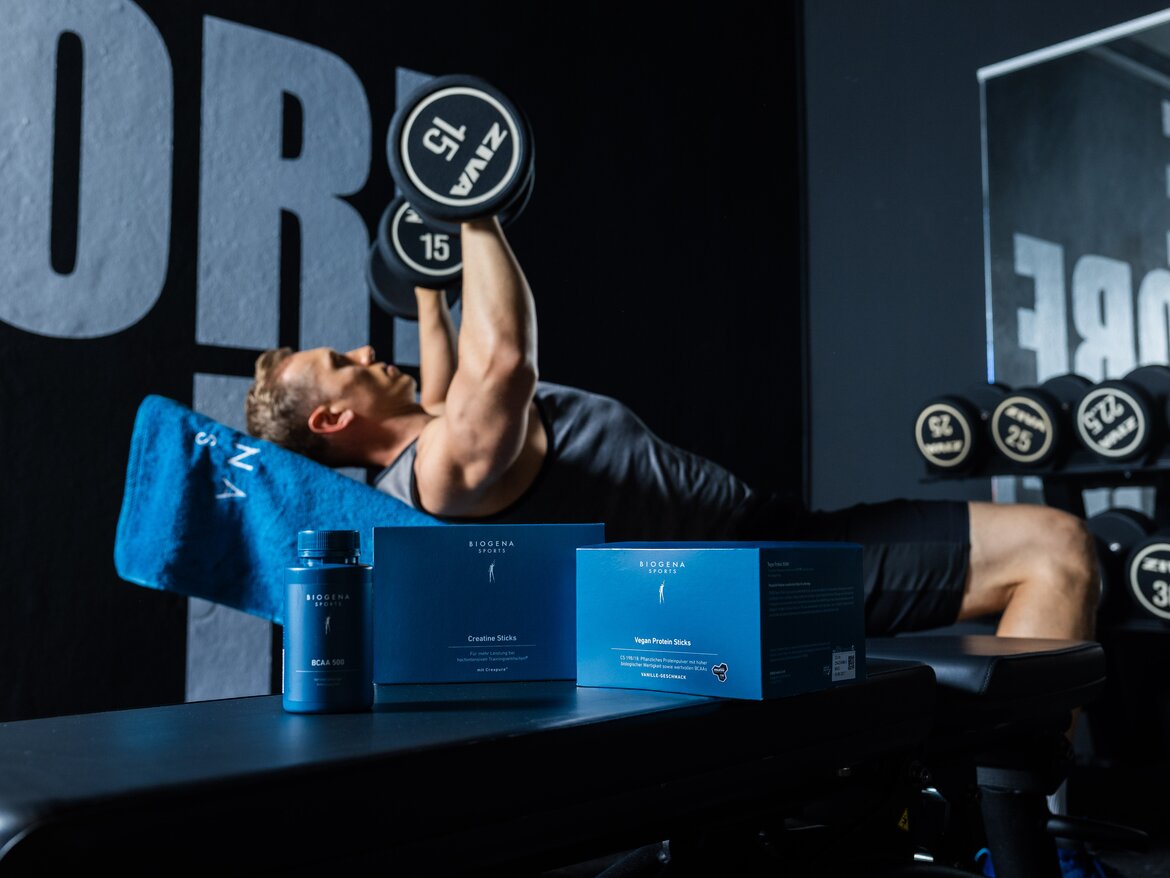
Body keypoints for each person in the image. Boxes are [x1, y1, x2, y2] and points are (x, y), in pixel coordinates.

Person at [244, 215, 1100, 642]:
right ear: (333, 418)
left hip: (769, 539)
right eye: (342, 361)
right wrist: (474, 210)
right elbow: (498, 362)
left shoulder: (430, 435)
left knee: (1048, 549)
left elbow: (448, 370)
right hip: (756, 578)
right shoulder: (440, 472)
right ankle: (1024, 836)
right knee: (1054, 548)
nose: (365, 350)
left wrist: (431, 285)